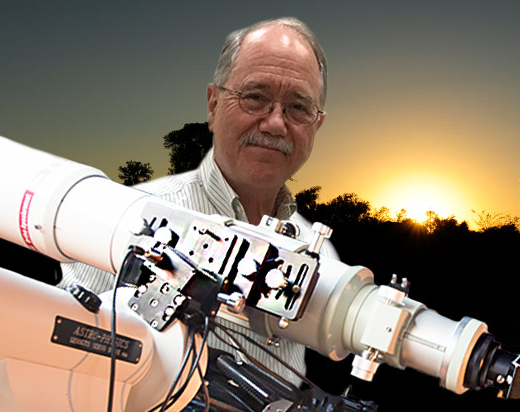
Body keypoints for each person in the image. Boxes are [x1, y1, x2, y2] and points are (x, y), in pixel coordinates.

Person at [60, 17, 336, 385]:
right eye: (255, 98)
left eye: (298, 107)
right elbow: (52, 355)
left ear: (316, 126)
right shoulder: (126, 219)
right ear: (214, 104)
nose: (274, 123)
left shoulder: (322, 258)